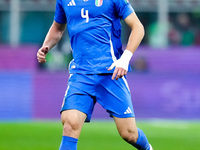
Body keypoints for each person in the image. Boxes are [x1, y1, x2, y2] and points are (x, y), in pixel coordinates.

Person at [37, 0, 153, 149]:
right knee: (70, 124)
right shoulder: (64, 1)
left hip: (111, 73)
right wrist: (46, 45)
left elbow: (138, 28)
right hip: (81, 74)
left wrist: (124, 59)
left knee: (129, 134)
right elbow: (57, 28)